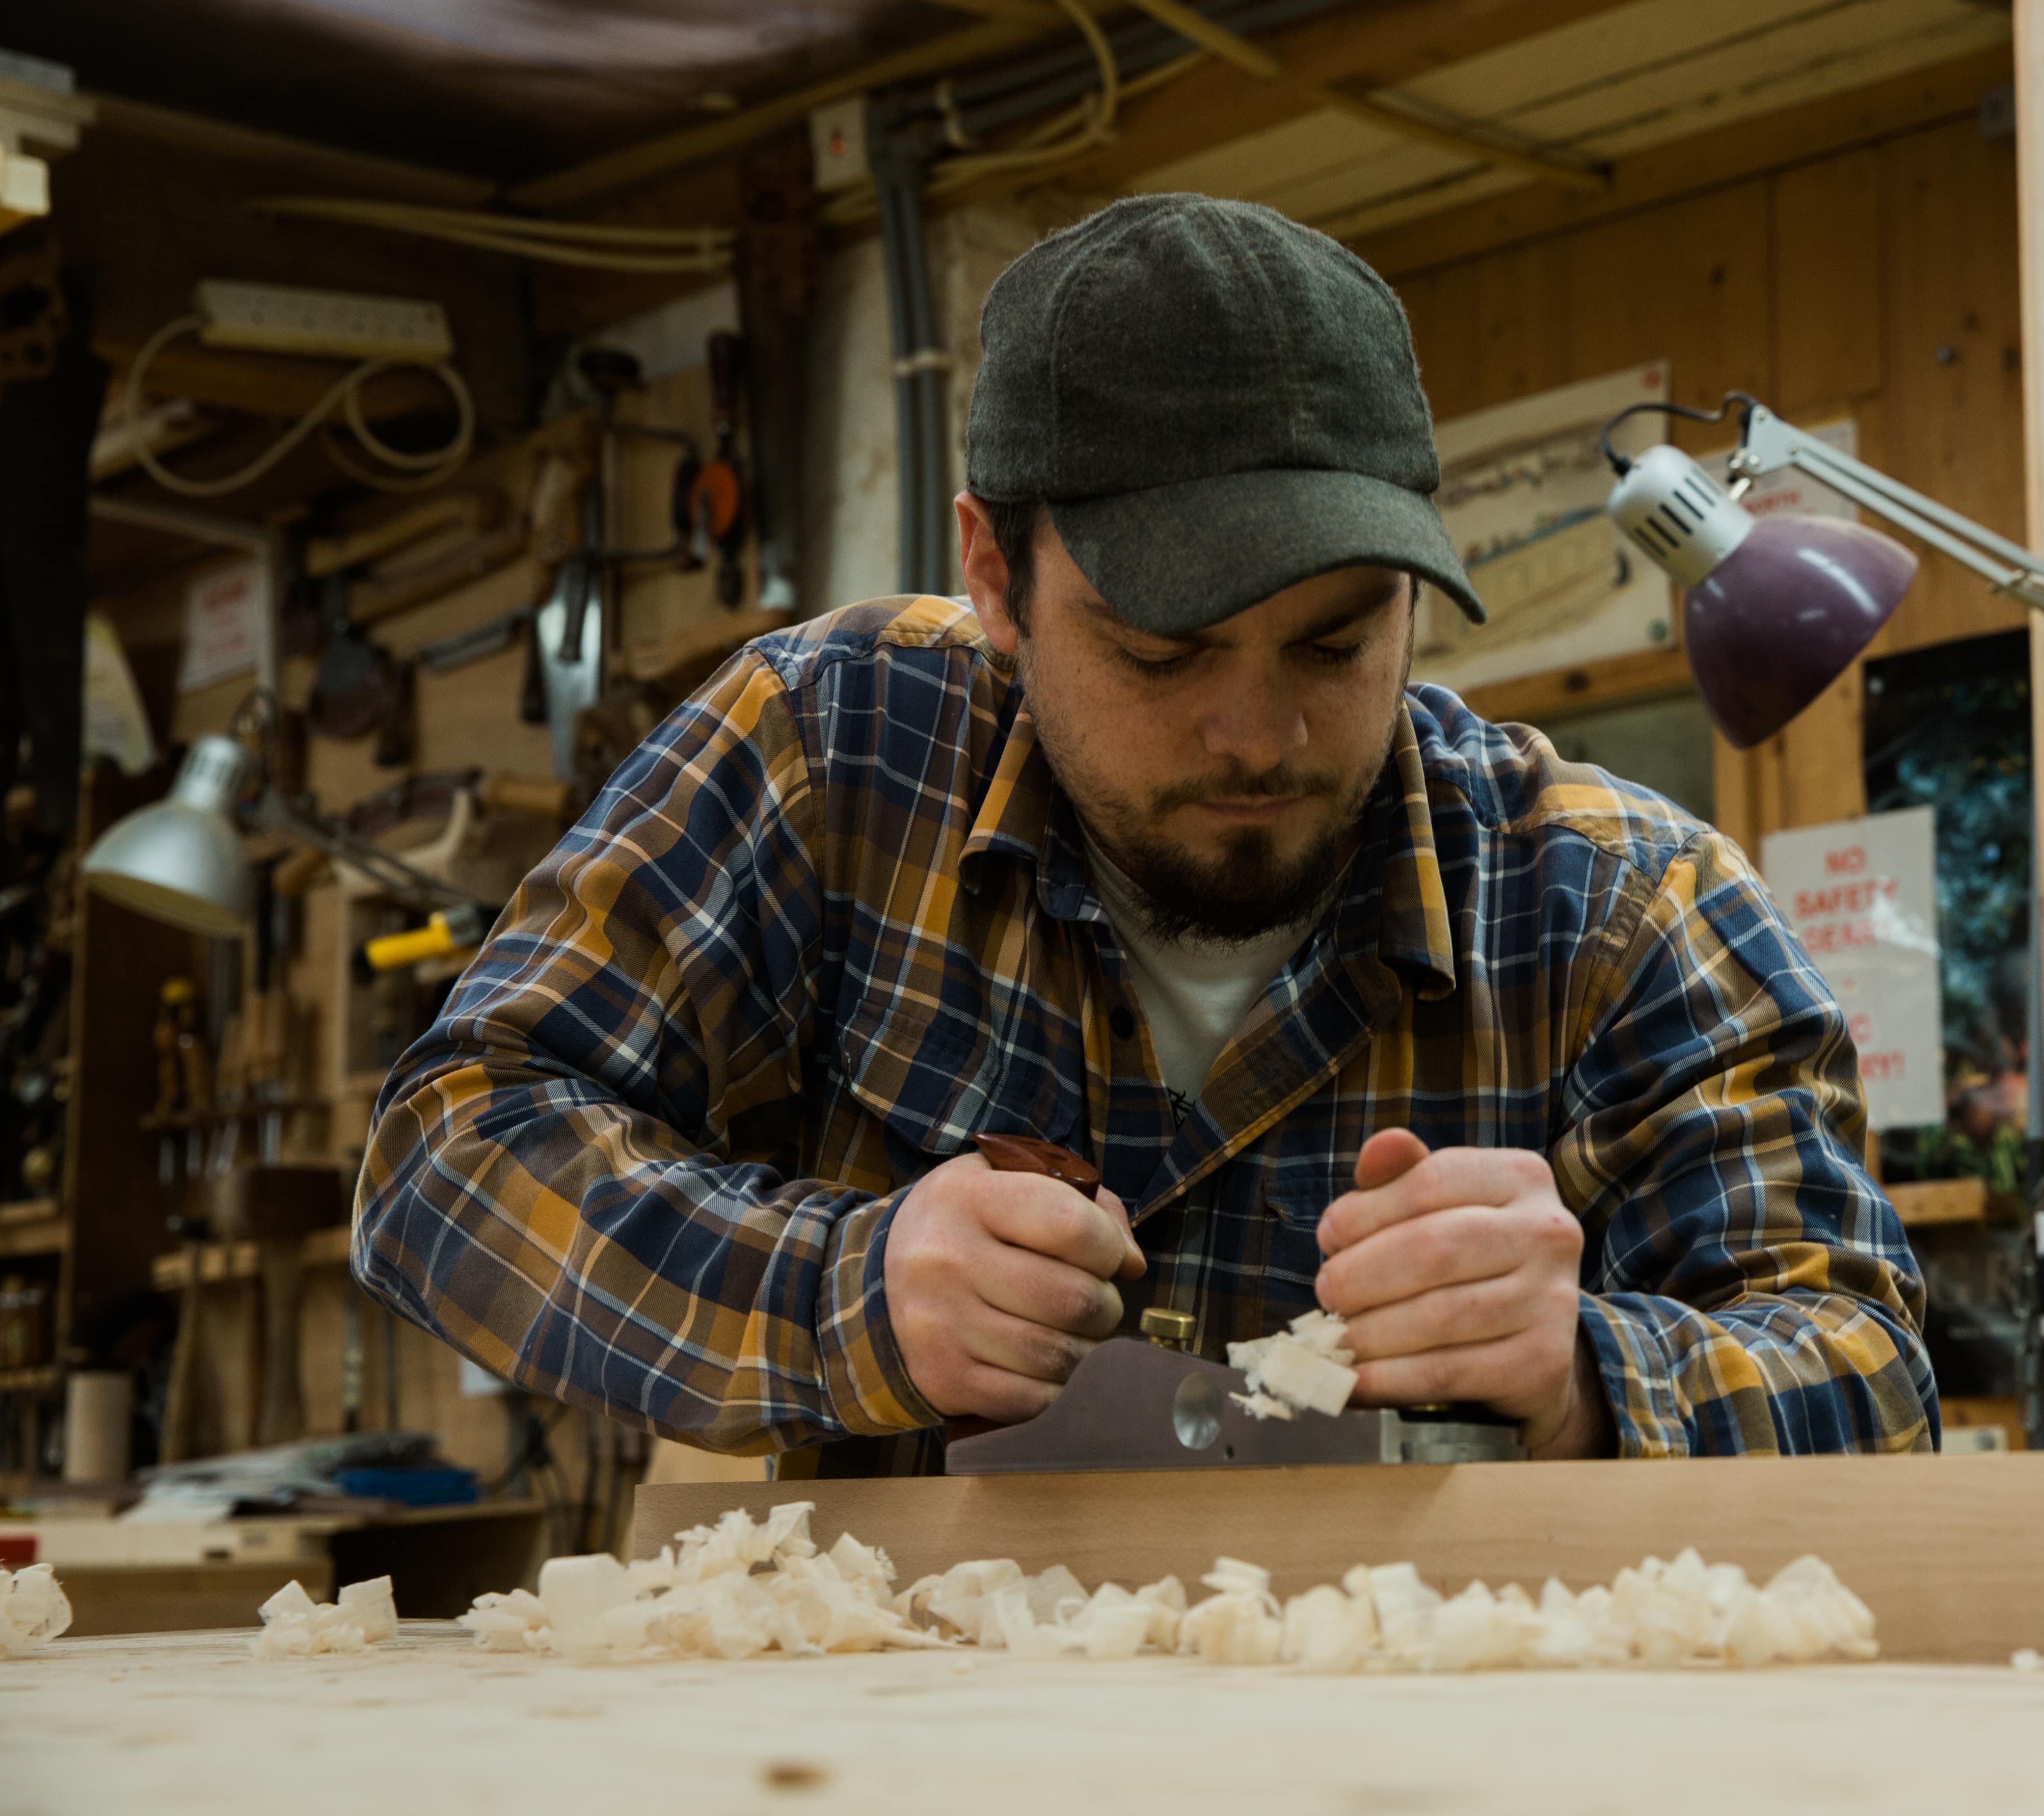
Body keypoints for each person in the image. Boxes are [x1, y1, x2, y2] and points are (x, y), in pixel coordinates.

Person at [356, 193, 1937, 1471]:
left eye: (1335, 642)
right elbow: (452, 1149)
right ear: (992, 572)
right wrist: (843, 1291)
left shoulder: (1621, 903)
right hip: (894, 1730)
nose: (1258, 735)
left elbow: (1872, 1377)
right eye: (1161, 653)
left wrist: (1592, 1372)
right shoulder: (835, 747)